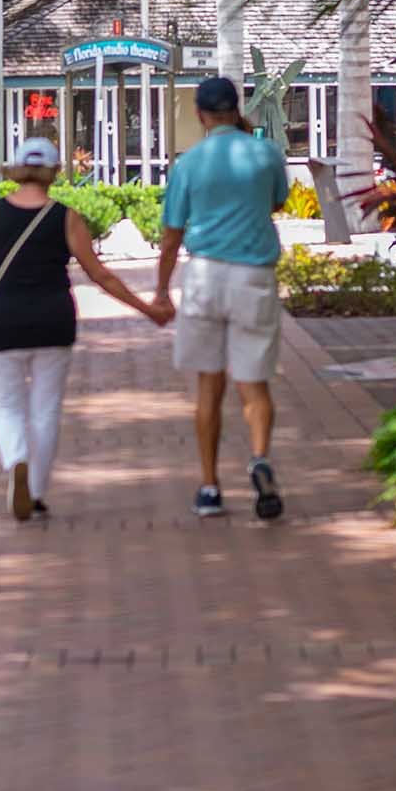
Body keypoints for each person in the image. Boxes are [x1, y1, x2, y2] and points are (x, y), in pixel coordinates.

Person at [0, 138, 170, 520]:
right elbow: (99, 275)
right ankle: (37, 492)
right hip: (54, 319)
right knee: (46, 407)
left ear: (17, 170)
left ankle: (16, 459)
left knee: (6, 402)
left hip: (4, 319)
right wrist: (146, 308)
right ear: (54, 173)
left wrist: (0, 286)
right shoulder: (66, 216)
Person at [152, 74, 288, 519]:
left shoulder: (188, 164)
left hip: (206, 276)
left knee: (209, 385)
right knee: (255, 381)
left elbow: (172, 236)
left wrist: (161, 292)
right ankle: (261, 458)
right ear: (237, 108)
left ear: (200, 115)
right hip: (254, 276)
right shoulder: (267, 153)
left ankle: (210, 487)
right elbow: (275, 202)